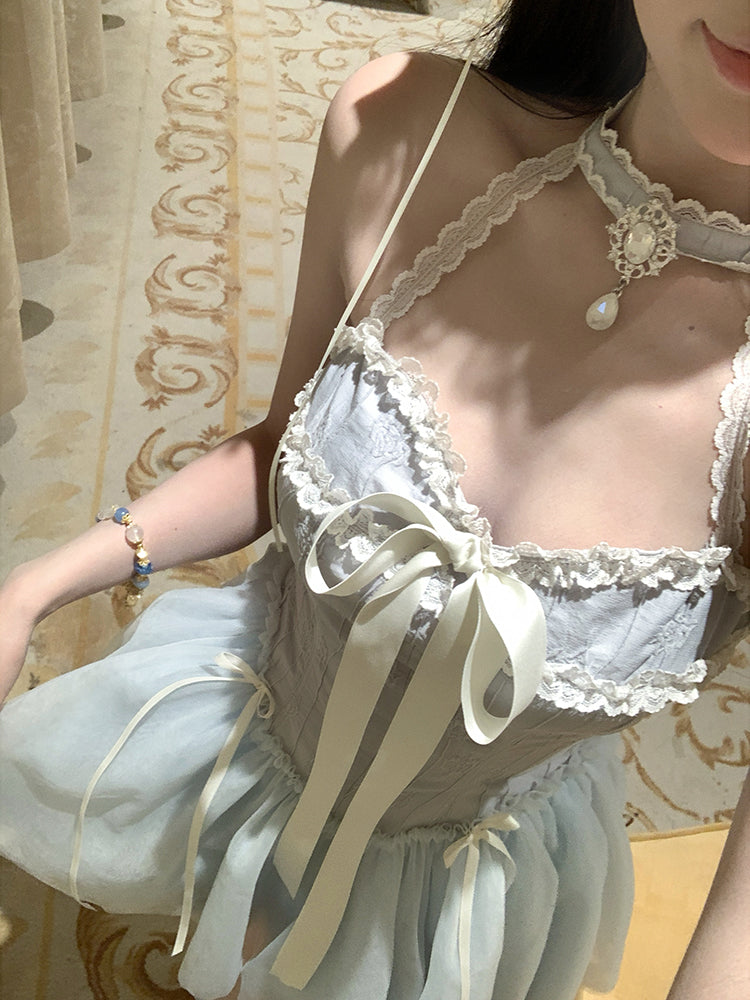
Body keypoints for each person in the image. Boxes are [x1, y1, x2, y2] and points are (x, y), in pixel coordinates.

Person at [1, 0, 749, 997]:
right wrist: (35, 588)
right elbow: (281, 440)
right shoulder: (405, 128)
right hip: (244, 737)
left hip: (457, 913)